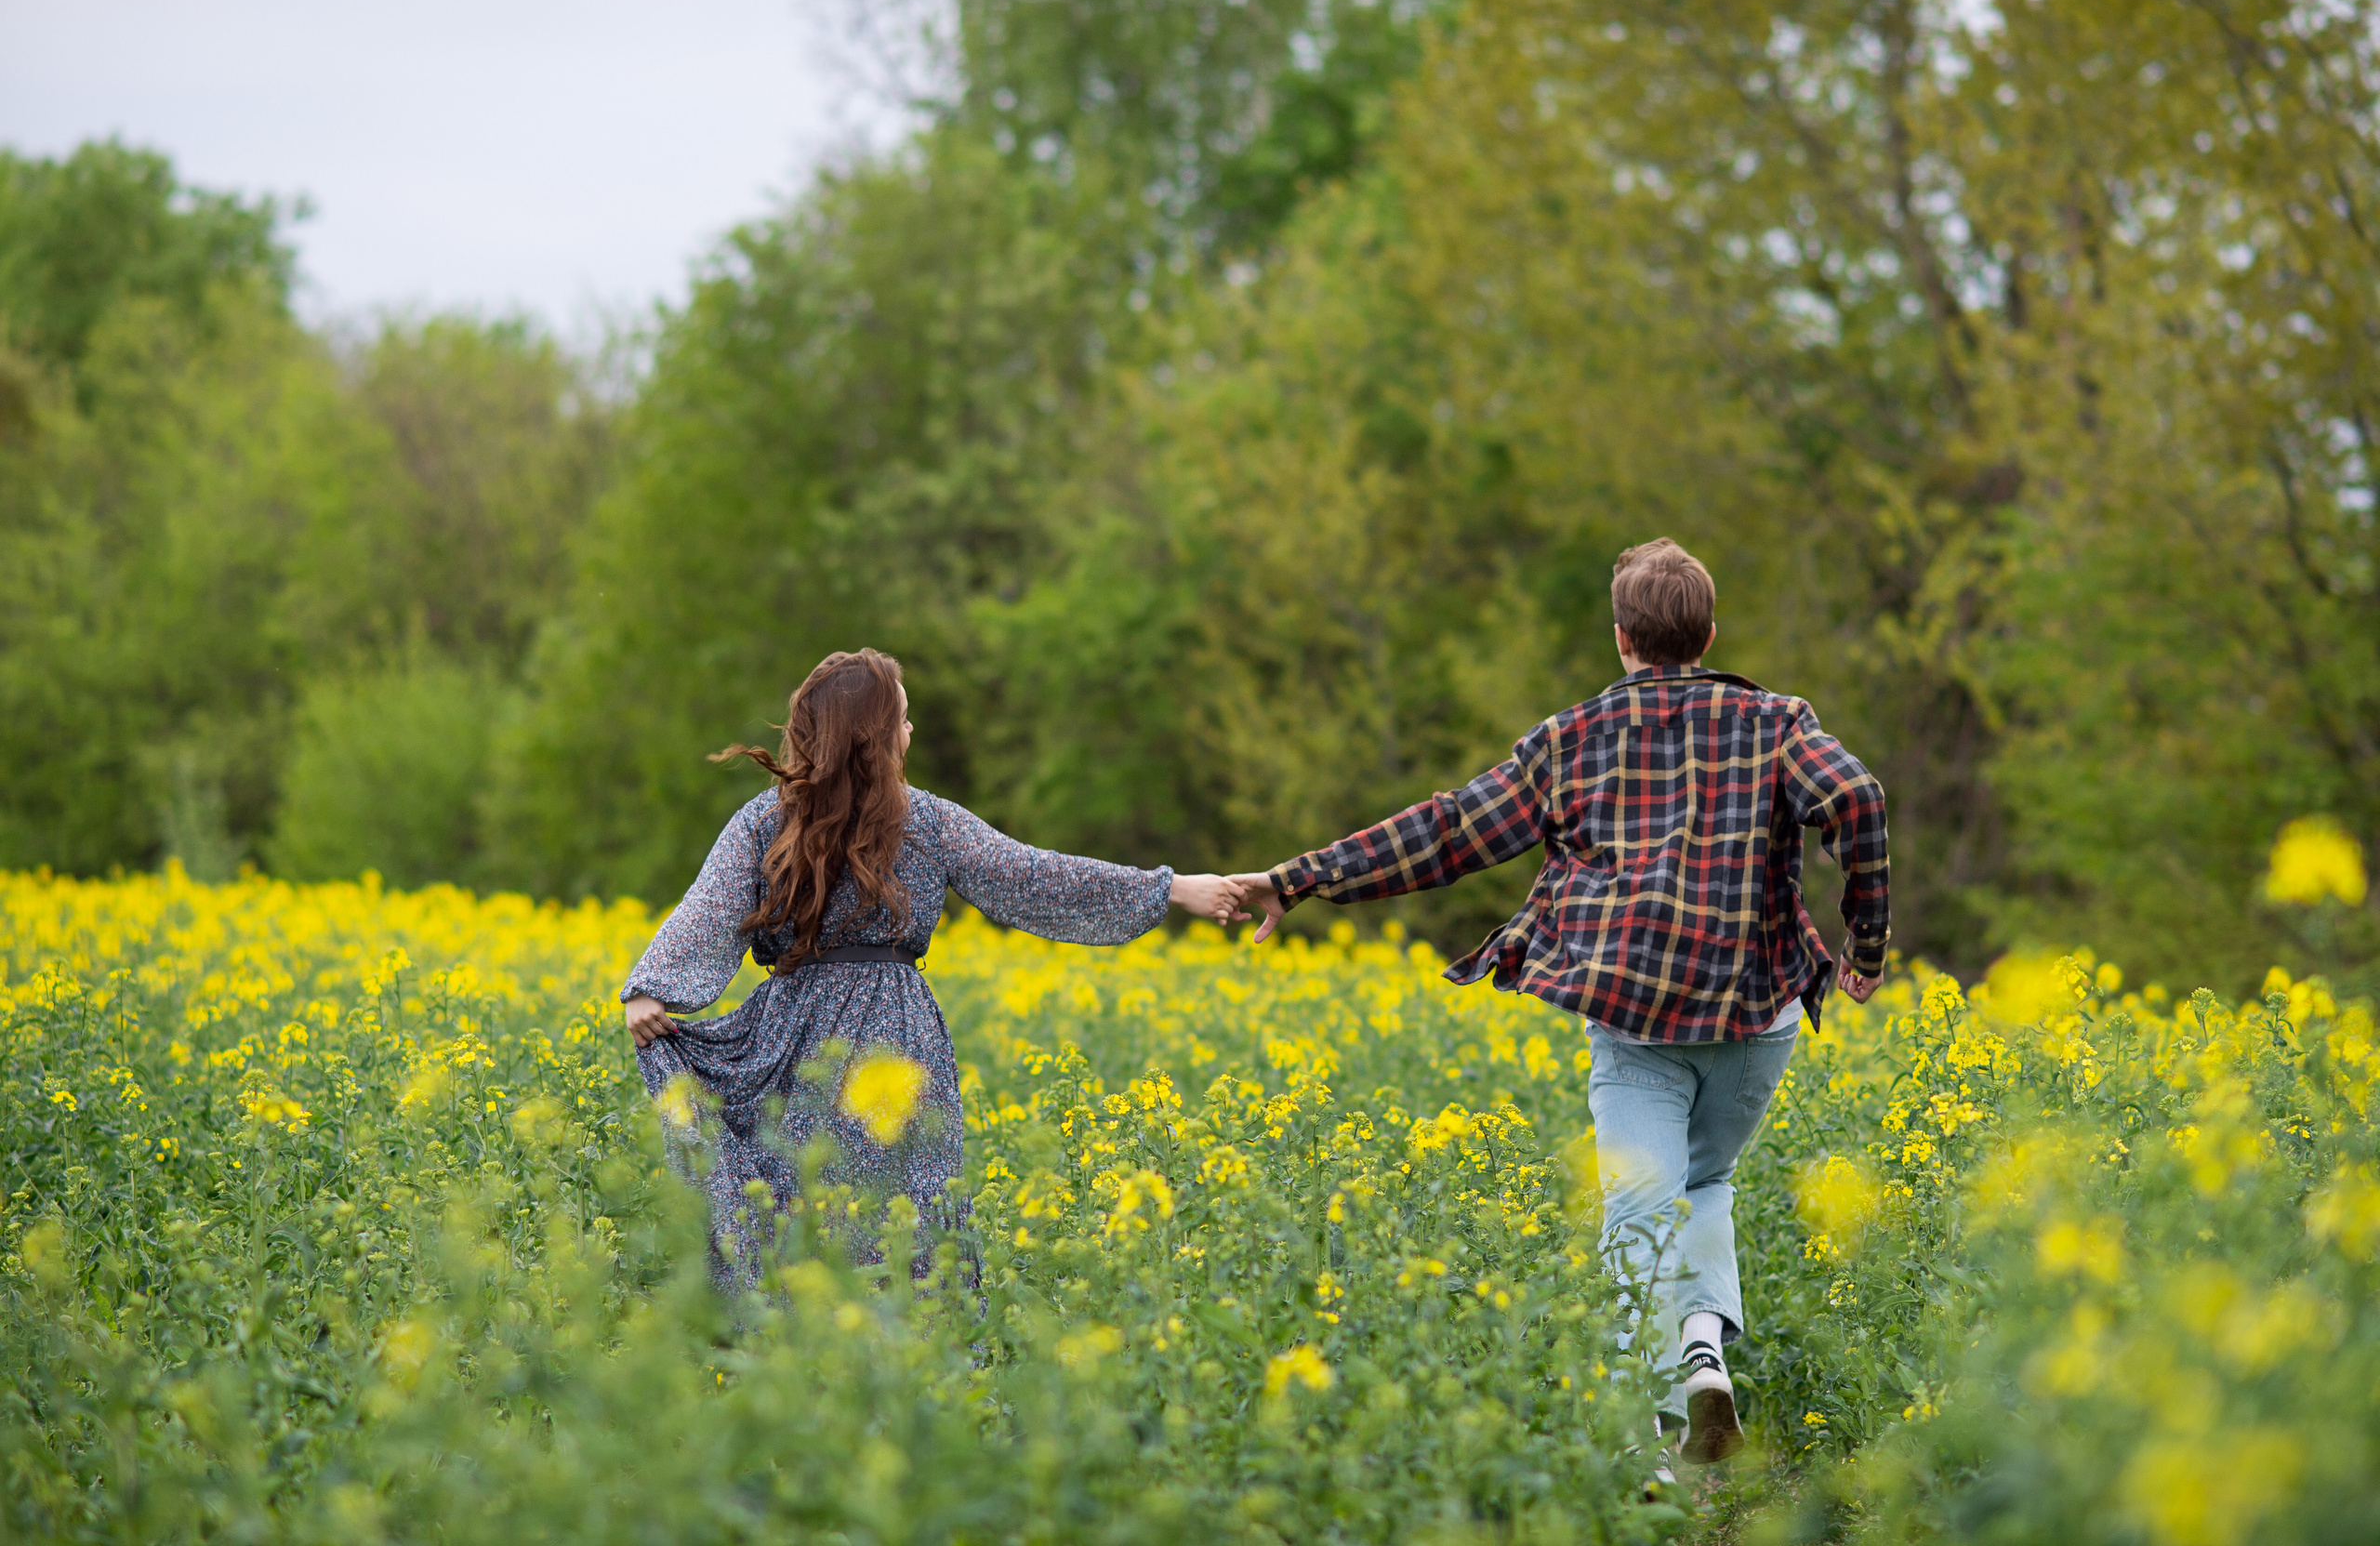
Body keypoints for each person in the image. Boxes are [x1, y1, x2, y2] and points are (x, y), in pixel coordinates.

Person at [1230, 538, 1889, 1470]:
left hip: (1632, 1018)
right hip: (1756, 1015)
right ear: (1710, 634)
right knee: (1702, 1186)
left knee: (1635, 1204)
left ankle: (1649, 1439)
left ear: (1621, 639)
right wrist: (1865, 945)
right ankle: (1701, 1348)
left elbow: (1451, 833)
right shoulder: (1778, 722)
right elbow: (1857, 798)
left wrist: (1298, 879)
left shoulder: (1569, 740)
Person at [620, 647, 1245, 1287]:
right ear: (873, 730)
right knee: (886, 1226)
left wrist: (1167, 887)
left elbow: (1034, 876)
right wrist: (654, 986)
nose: (912, 731)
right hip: (878, 1036)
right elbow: (714, 904)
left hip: (802, 1038)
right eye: (904, 717)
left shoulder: (843, 818)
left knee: (824, 1221)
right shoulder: (794, 820)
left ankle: (847, 1371)